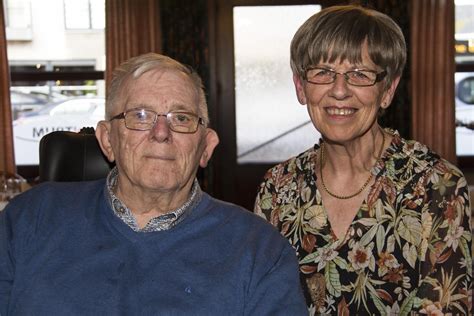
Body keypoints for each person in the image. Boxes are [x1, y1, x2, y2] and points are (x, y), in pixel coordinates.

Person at [0, 53, 307, 315]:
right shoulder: (28, 220)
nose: (161, 132)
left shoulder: (261, 253)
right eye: (141, 115)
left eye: (182, 118)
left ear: (206, 147)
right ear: (108, 140)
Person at [254, 5, 472, 315]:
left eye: (360, 74)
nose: (339, 91)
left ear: (388, 90)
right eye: (323, 72)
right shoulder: (278, 188)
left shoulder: (436, 185)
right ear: (301, 87)